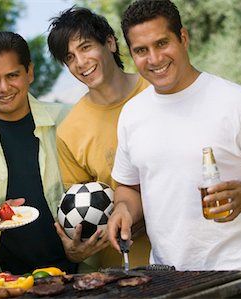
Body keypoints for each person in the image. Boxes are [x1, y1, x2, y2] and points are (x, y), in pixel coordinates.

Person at [108, 0, 241, 278]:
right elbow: (129, 188)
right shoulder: (131, 114)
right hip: (166, 278)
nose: (155, 59)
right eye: (141, 50)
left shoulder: (239, 102)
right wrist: (123, 209)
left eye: (162, 43)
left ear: (183, 38)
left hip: (237, 275)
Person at [0, 31, 76, 275]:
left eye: (12, 75)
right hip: (4, 278)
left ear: (29, 73)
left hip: (75, 269)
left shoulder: (68, 119)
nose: (3, 88)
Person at [47, 7, 151, 273]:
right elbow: (82, 213)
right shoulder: (69, 131)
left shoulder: (157, 91)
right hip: (125, 270)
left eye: (85, 47)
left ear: (110, 42)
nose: (81, 62)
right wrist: (76, 248)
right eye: (70, 57)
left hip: (190, 256)